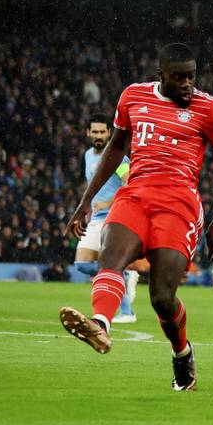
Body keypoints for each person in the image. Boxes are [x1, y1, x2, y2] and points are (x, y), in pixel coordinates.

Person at [62, 43, 213, 391]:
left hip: (179, 203)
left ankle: (181, 354)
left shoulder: (209, 108)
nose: (188, 83)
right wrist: (85, 201)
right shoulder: (133, 96)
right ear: (161, 76)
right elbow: (116, 146)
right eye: (179, 78)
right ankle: (100, 324)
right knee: (110, 261)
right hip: (135, 195)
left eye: (192, 76)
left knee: (161, 297)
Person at [74, 113, 138, 324]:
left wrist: (109, 202)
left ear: (109, 132)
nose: (99, 135)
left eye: (103, 131)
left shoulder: (115, 157)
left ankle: (127, 313)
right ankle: (125, 276)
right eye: (95, 132)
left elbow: (130, 182)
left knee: (106, 264)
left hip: (115, 215)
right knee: (82, 264)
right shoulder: (87, 156)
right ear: (88, 133)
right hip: (96, 218)